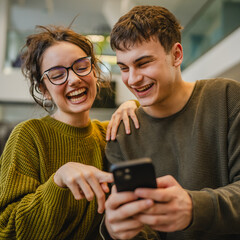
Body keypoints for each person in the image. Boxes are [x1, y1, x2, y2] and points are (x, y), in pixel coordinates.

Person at [102, 5, 240, 240]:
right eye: (124, 68)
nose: (132, 79)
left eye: (143, 63)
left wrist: (194, 207)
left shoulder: (226, 97)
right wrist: (114, 230)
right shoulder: (122, 135)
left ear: (176, 55)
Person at [0, 25, 140, 240]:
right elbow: (7, 229)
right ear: (44, 89)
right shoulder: (29, 135)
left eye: (81, 66)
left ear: (94, 72)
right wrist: (58, 181)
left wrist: (134, 105)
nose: (74, 79)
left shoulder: (109, 134)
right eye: (57, 74)